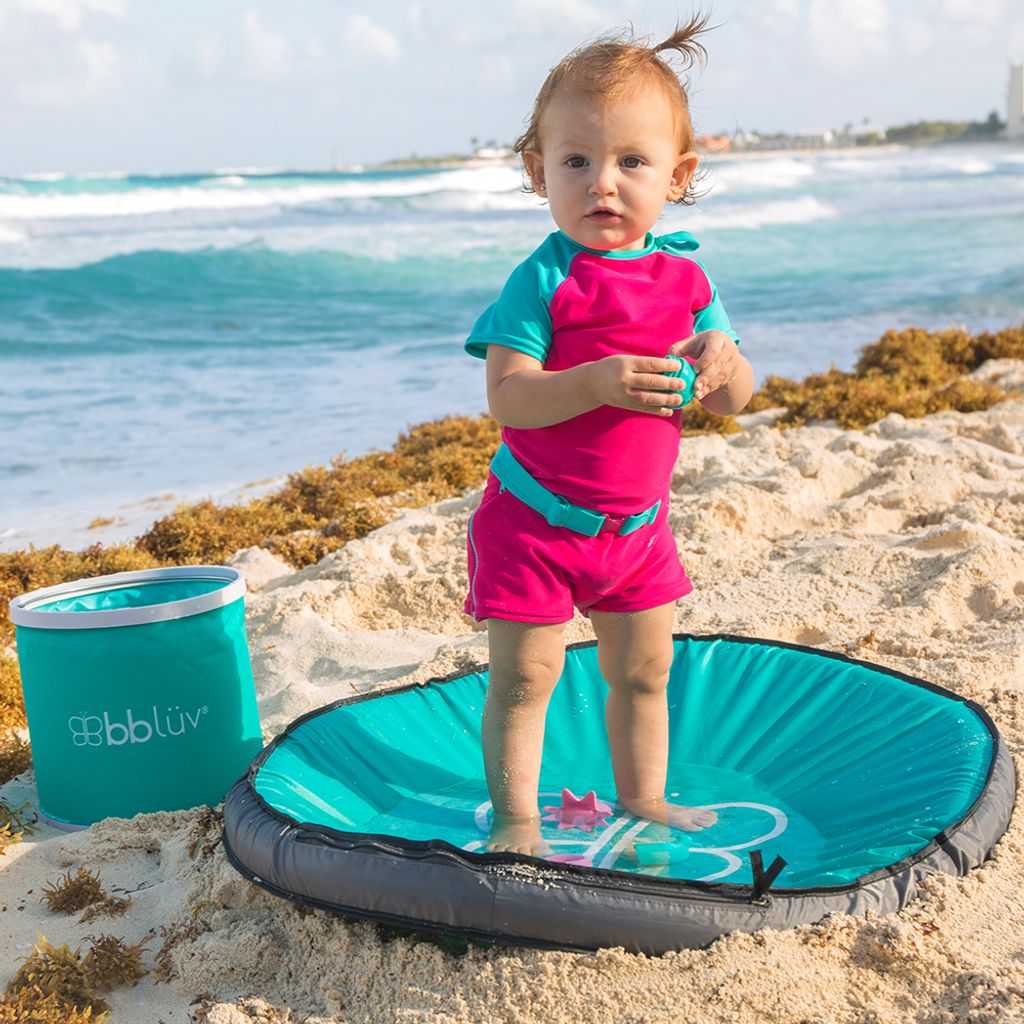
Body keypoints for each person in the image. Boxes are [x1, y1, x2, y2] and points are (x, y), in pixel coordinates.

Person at [463, 14, 755, 856]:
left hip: (637, 530)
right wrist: (593, 382)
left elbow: (731, 400)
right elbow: (509, 399)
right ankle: (518, 824)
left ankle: (646, 798)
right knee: (526, 680)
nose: (604, 183)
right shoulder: (543, 280)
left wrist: (726, 361)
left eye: (632, 162)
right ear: (538, 171)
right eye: (577, 161)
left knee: (644, 673)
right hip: (534, 525)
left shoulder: (687, 278)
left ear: (678, 174)